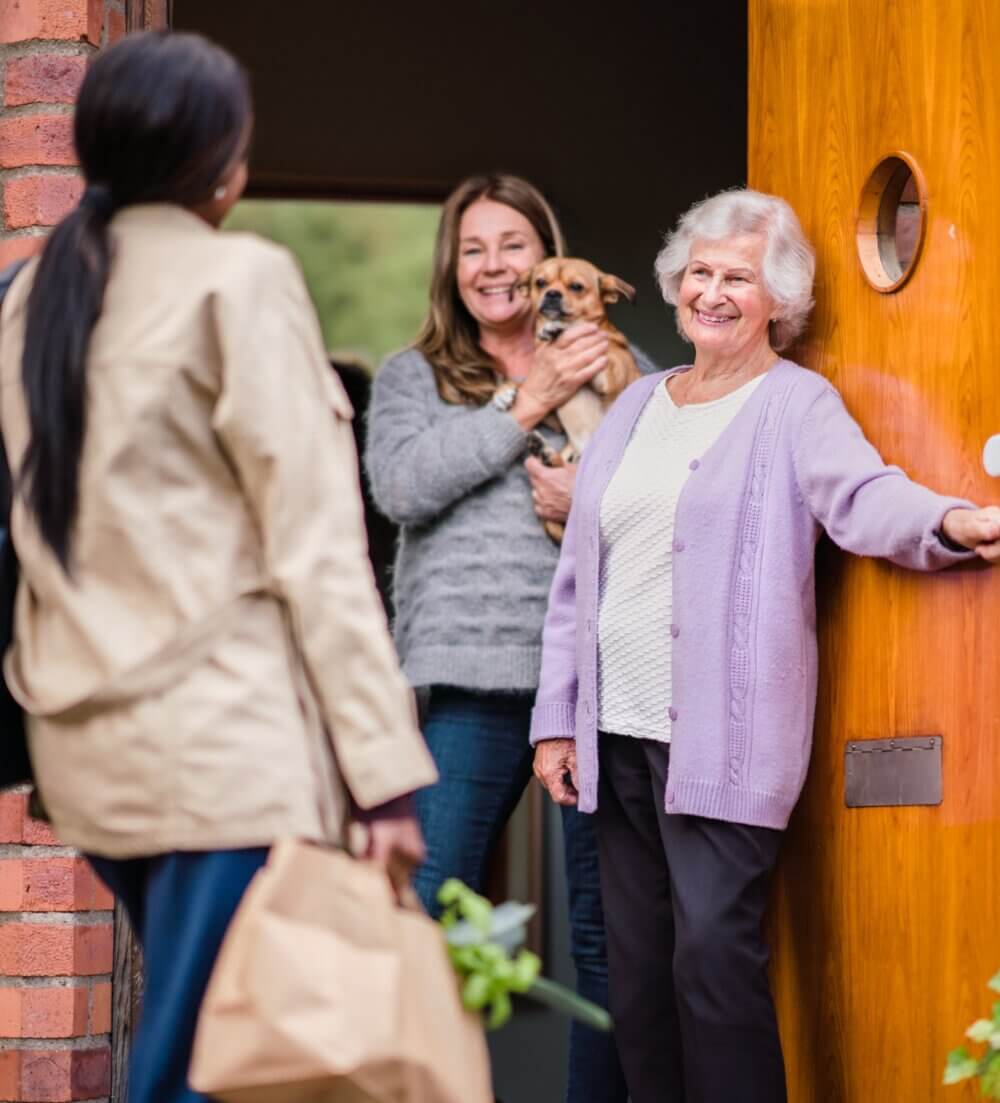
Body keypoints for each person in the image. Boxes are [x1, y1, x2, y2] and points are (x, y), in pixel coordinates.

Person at [0, 32, 436, 1103]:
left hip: (86, 745)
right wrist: (379, 768)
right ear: (222, 162)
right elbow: (317, 544)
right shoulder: (239, 278)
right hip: (220, 746)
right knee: (203, 1063)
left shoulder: (32, 292)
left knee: (203, 1036)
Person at [529, 188, 1000, 1103]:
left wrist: (953, 520)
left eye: (737, 277)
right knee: (639, 981)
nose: (713, 292)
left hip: (724, 745)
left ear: (778, 299)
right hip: (612, 738)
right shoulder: (633, 406)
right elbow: (577, 580)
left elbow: (863, 495)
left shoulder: (795, 403)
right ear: (673, 286)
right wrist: (557, 719)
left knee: (712, 964)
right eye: (699, 272)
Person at [366, 173, 655, 1103]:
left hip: (598, 681)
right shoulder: (415, 376)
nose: (495, 266)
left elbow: (678, 500)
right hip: (471, 678)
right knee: (429, 920)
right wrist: (523, 403)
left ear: (549, 260)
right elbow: (402, 487)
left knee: (608, 935)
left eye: (514, 245)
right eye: (475, 248)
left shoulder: (621, 362)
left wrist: (593, 499)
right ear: (452, 268)